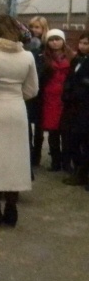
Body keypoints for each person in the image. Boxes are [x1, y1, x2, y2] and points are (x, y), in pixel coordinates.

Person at [0, 15, 39, 226]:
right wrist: (14, 95)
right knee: (15, 158)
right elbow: (32, 90)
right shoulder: (27, 56)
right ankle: (12, 206)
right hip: (15, 109)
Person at [40, 29, 73, 172]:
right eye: (51, 39)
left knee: (67, 133)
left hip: (67, 99)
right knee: (53, 132)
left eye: (57, 39)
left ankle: (66, 162)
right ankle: (55, 161)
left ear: (63, 41)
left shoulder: (72, 57)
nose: (54, 42)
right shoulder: (43, 57)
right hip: (50, 99)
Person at [61, 32, 89, 189]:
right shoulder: (77, 60)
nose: (83, 46)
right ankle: (79, 172)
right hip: (74, 107)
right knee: (74, 140)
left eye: (86, 43)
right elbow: (71, 78)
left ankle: (84, 174)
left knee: (85, 142)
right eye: (82, 43)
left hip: (85, 106)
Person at [24, 15, 49, 166]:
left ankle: (36, 155)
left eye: (37, 27)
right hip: (29, 86)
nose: (34, 30)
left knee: (39, 124)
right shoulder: (27, 44)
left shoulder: (47, 45)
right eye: (32, 26)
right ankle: (28, 152)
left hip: (43, 88)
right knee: (26, 123)